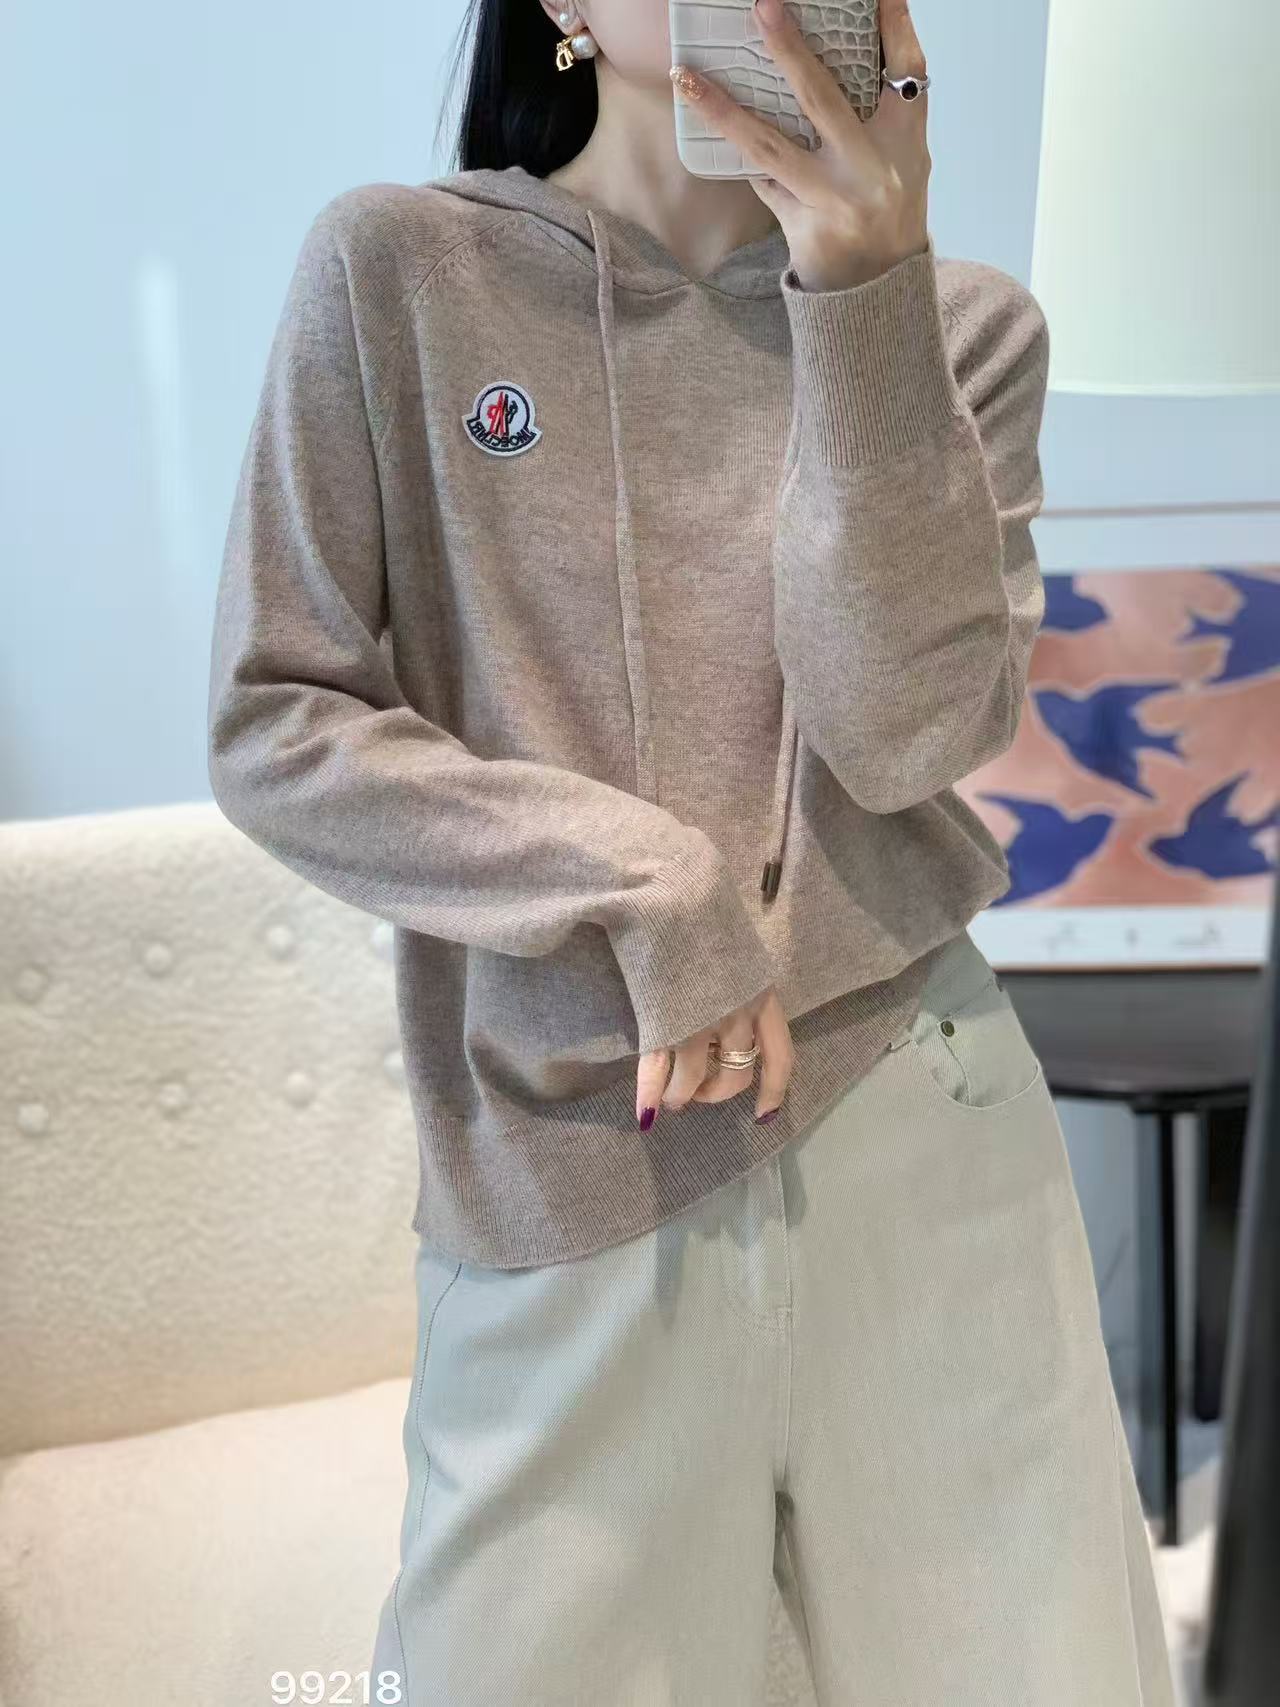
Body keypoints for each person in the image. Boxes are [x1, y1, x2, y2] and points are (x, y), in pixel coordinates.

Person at [206, 1, 1178, 1701]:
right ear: (564, 10)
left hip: (918, 1121)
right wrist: (645, 885)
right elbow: (281, 720)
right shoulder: (400, 274)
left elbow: (904, 736)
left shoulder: (959, 328)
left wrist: (864, 297)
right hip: (571, 1156)